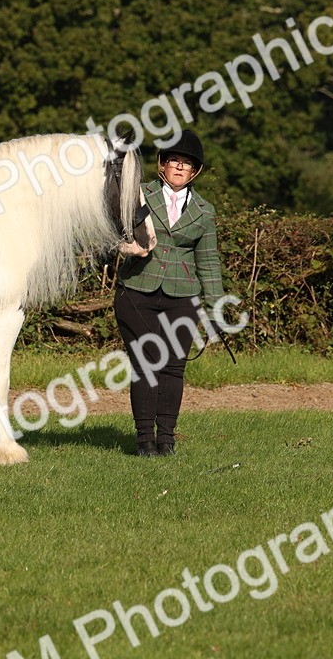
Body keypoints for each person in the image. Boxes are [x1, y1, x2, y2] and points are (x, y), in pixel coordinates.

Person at [114, 129, 223, 457]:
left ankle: (167, 439)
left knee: (173, 367)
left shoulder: (204, 212)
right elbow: (111, 234)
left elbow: (209, 261)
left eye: (186, 163)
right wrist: (127, 246)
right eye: (173, 160)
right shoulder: (137, 196)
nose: (179, 167)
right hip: (137, 291)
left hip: (182, 296)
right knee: (147, 363)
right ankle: (144, 438)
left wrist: (216, 308)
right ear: (161, 164)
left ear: (195, 171)